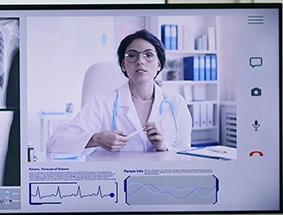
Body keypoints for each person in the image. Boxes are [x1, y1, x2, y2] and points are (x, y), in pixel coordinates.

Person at [45, 29, 192, 156]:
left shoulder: (176, 104)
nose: (140, 61)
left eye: (148, 55)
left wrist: (163, 147)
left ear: (159, 64)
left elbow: (187, 156)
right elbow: (54, 143)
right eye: (132, 55)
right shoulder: (102, 103)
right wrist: (96, 139)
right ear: (123, 65)